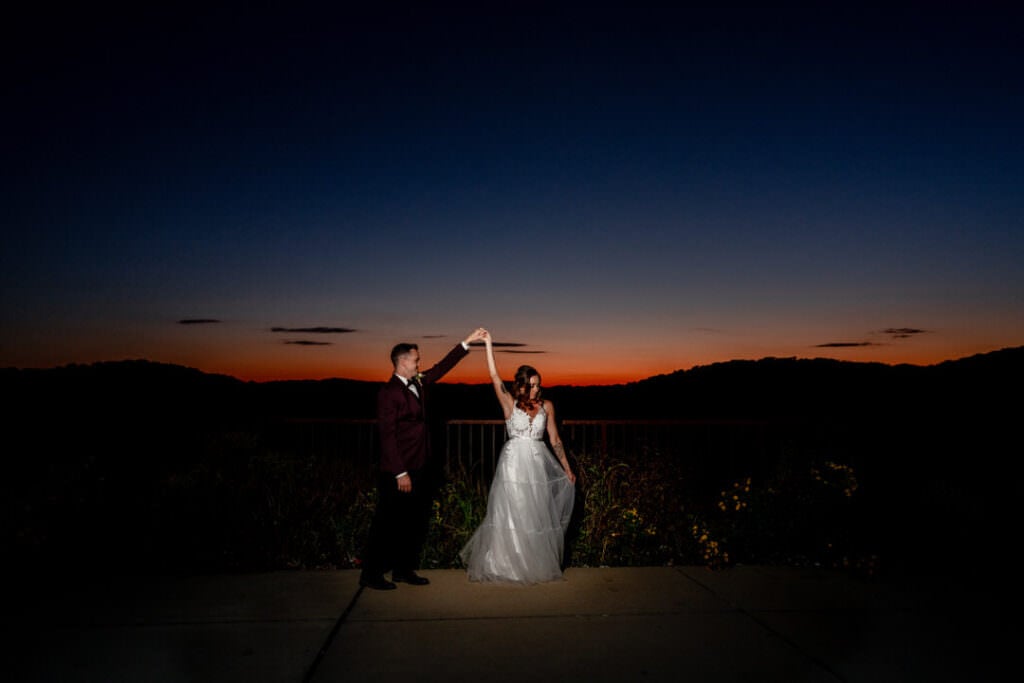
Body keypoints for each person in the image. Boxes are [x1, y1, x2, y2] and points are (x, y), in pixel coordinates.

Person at [360, 327, 488, 590]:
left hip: (420, 466)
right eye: (416, 360)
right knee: (387, 522)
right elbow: (387, 437)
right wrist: (400, 473)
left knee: (413, 522)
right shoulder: (388, 393)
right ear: (403, 361)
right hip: (398, 471)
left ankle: (402, 570)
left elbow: (441, 368)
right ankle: (371, 574)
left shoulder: (418, 382)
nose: (419, 364)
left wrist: (467, 342)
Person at [459, 330, 576, 583]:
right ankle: (507, 564)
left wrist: (567, 468)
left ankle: (533, 563)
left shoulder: (547, 406)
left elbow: (555, 439)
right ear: (521, 385)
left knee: (535, 513)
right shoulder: (509, 404)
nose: (536, 389)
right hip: (513, 464)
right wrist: (488, 343)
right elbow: (494, 376)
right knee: (513, 512)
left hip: (537, 463)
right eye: (531, 385)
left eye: (538, 384)